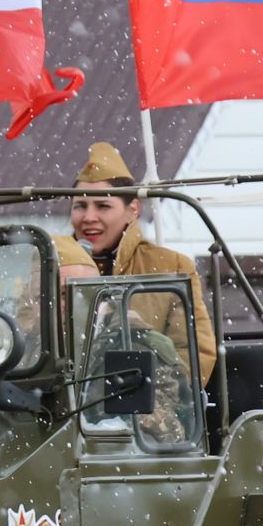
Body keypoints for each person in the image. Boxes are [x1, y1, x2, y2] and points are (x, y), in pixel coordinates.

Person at [69, 141, 217, 381]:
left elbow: (195, 355)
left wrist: (151, 391)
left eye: (103, 206)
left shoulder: (172, 267)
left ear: (133, 209)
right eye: (80, 206)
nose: (88, 217)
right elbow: (28, 348)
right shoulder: (50, 265)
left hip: (145, 408)